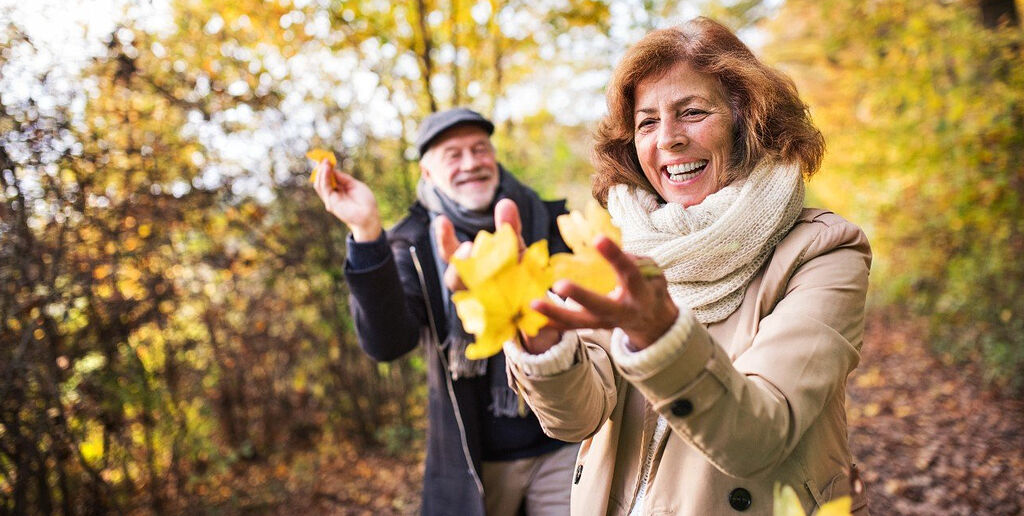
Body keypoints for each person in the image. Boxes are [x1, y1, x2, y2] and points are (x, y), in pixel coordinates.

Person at [475, 18, 870, 515]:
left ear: (748, 121)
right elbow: (577, 417)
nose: (668, 139)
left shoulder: (824, 251)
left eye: (692, 112)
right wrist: (539, 337)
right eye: (646, 122)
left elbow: (760, 437)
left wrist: (660, 337)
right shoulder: (619, 244)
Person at [312, 107, 578, 516]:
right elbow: (387, 343)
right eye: (453, 154)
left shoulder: (548, 218)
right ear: (427, 172)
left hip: (564, 442)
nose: (471, 163)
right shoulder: (412, 243)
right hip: (475, 459)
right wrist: (367, 232)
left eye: (479, 149)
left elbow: (580, 318)